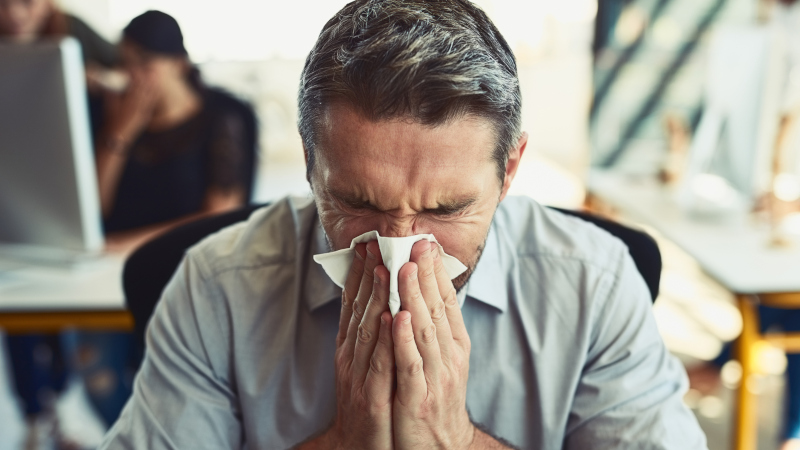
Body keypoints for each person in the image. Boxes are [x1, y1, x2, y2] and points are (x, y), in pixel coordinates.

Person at [99, 1, 707, 448]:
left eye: (445, 210)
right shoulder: (218, 286)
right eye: (359, 201)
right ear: (311, 165)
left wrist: (460, 443)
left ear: (510, 170)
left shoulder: (593, 285)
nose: (397, 250)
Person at [97, 10, 253, 254]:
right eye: (125, 63)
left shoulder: (219, 118)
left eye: (144, 62)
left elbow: (221, 216)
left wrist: (129, 243)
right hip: (110, 260)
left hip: (184, 258)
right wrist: (120, 134)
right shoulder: (115, 114)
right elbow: (95, 207)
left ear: (179, 64)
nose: (132, 75)